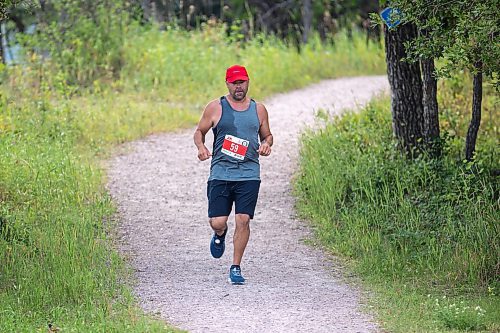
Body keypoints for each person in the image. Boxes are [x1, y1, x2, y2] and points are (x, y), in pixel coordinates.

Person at [193, 65, 273, 285]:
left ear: (248, 82)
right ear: (227, 84)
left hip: (249, 173)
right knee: (217, 221)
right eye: (234, 83)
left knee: (243, 219)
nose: (239, 87)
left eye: (243, 82)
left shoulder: (258, 110)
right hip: (221, 172)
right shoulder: (216, 108)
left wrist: (266, 145)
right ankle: (220, 235)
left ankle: (236, 267)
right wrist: (201, 148)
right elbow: (199, 132)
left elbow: (267, 136)